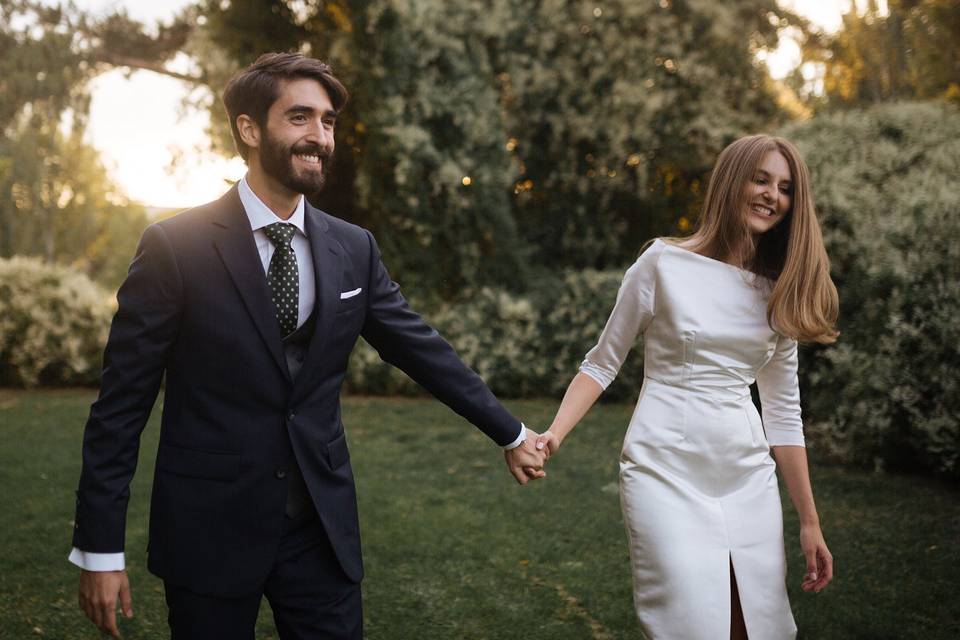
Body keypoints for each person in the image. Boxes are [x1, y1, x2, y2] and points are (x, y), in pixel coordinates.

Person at [70, 52, 549, 640]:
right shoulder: (175, 247)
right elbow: (120, 407)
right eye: (299, 118)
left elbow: (420, 349)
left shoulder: (353, 247)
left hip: (318, 530)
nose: (318, 136)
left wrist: (511, 431)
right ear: (249, 129)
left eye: (326, 122)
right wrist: (100, 548)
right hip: (209, 528)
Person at [534, 135, 837, 639]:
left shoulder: (778, 289)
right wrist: (554, 434)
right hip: (664, 468)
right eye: (760, 178)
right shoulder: (661, 263)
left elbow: (783, 415)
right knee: (689, 624)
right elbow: (602, 363)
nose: (771, 195)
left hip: (746, 477)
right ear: (730, 181)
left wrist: (809, 521)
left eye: (784, 188)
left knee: (753, 625)